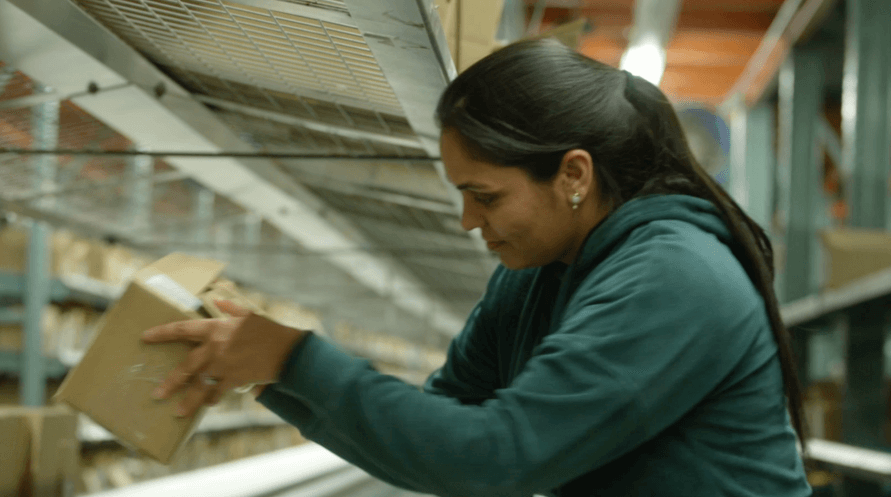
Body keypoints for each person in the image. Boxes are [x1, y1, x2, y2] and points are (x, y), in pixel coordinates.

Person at [143, 39, 812, 496]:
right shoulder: (533, 274)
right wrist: (269, 372)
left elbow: (497, 454)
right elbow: (443, 435)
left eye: (485, 195)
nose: (467, 219)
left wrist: (296, 358)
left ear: (572, 174)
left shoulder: (673, 275)